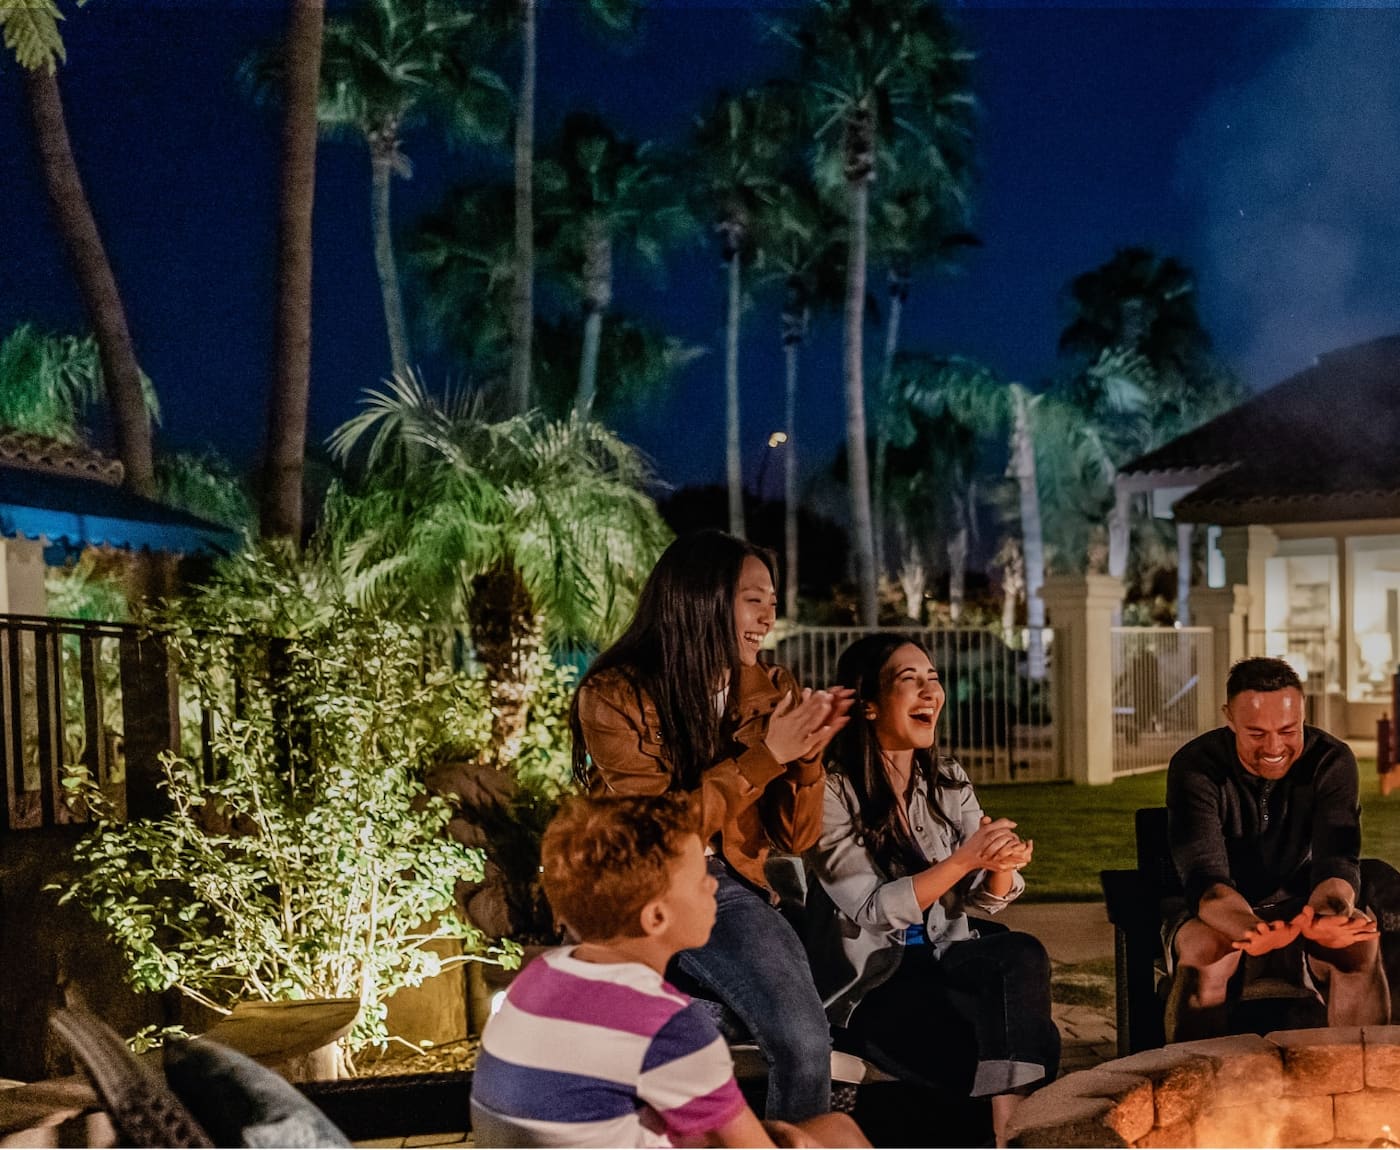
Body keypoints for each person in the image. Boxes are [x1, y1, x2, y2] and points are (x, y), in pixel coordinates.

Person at [569, 530, 851, 1122]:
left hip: (732, 886)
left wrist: (807, 759)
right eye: (754, 597)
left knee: (803, 1041)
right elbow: (660, 833)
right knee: (794, 1038)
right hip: (649, 885)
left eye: (772, 598)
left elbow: (796, 838)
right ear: (701, 600)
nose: (770, 613)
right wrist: (767, 755)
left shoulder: (773, 690)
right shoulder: (614, 695)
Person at [470, 793, 869, 1149]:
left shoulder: (541, 975)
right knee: (837, 1133)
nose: (715, 887)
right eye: (701, 879)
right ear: (657, 916)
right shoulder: (669, 1027)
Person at [803, 634, 1059, 1148]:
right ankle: (1009, 1131)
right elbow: (873, 909)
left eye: (933, 679)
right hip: (878, 984)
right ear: (869, 705)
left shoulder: (946, 779)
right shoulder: (831, 792)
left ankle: (1010, 1136)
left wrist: (1000, 866)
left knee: (1020, 957)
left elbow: (982, 900)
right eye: (910, 680)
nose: (930, 692)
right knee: (1009, 1056)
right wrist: (966, 858)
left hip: (949, 957)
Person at [1165, 655, 1390, 1040]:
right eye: (1256, 733)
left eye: (1288, 730)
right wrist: (1254, 927)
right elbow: (1206, 880)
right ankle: (1197, 1087)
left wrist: (1330, 915)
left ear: (1303, 713)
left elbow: (1337, 860)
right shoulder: (1196, 767)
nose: (1274, 746)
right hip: (1220, 911)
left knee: (1359, 950)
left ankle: (1359, 1084)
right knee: (1205, 952)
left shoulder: (1330, 761)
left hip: (1303, 906)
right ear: (1229, 717)